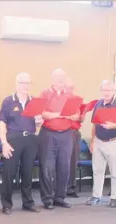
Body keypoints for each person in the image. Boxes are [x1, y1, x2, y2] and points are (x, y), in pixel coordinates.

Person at [0, 72, 42, 215]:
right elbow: (2, 123)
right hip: (13, 140)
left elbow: (38, 123)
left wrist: (39, 123)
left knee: (27, 173)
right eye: (22, 83)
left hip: (30, 139)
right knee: (9, 173)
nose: (25, 86)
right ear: (16, 84)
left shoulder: (35, 101)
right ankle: (7, 204)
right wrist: (4, 143)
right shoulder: (8, 101)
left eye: (28, 83)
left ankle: (28, 203)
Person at [38, 68, 79, 209]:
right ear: (52, 79)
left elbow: (77, 115)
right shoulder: (45, 93)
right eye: (57, 77)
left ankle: (60, 198)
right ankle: (47, 199)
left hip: (67, 134)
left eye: (62, 77)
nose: (60, 79)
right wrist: (58, 114)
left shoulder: (71, 95)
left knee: (64, 167)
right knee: (47, 167)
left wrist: (75, 116)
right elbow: (40, 112)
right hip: (49, 133)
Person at [87, 80, 116, 208]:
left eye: (108, 90)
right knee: (97, 170)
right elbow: (94, 124)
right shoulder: (98, 103)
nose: (106, 93)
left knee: (115, 172)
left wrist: (113, 125)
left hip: (113, 141)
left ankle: (114, 197)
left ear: (114, 91)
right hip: (99, 141)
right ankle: (96, 196)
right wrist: (93, 141)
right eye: (104, 90)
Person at [65, 79, 83, 198]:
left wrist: (78, 117)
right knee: (62, 162)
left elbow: (81, 118)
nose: (70, 90)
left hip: (74, 132)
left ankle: (71, 188)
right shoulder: (60, 99)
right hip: (63, 133)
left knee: (73, 162)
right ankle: (60, 188)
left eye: (72, 88)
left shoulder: (77, 100)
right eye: (68, 88)